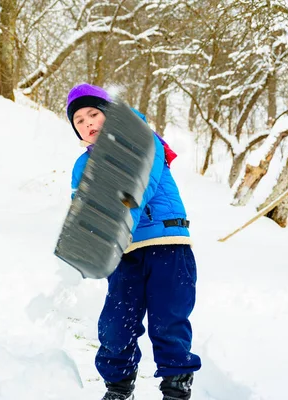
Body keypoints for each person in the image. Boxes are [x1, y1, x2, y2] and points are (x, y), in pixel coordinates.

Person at [66, 83, 201, 400]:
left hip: (168, 243)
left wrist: (118, 218)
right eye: (80, 122)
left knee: (168, 320)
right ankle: (118, 386)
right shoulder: (82, 166)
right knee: (115, 324)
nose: (88, 124)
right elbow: (82, 209)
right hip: (124, 253)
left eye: (93, 114)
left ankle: (176, 386)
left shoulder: (141, 138)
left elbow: (142, 182)